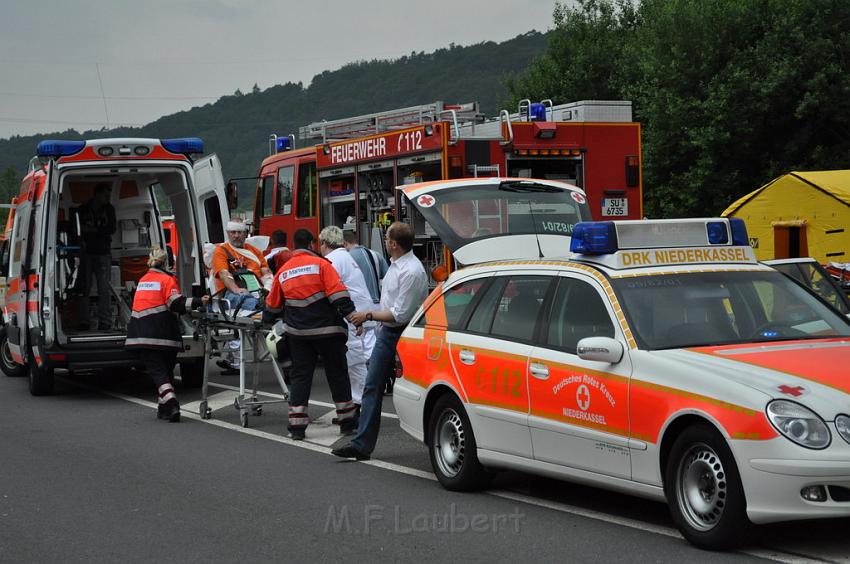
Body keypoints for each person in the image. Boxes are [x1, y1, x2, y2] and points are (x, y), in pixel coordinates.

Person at [332, 222, 428, 460]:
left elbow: (400, 314)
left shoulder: (411, 271)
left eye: (387, 238)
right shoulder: (396, 266)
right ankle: (362, 445)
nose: (385, 242)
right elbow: (388, 308)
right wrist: (371, 323)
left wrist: (367, 315)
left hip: (405, 334)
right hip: (387, 332)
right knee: (372, 386)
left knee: (417, 390)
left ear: (394, 244)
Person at [265, 228, 361, 440]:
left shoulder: (284, 271)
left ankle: (297, 428)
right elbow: (339, 295)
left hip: (298, 335)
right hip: (328, 331)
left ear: (294, 246)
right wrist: (353, 317)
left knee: (301, 377)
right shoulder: (322, 265)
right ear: (311, 245)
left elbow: (272, 305)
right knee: (337, 375)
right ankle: (347, 423)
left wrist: (266, 321)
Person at [125, 246, 208, 422]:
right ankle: (169, 403)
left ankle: (166, 406)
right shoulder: (167, 280)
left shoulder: (142, 280)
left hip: (142, 334)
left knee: (160, 373)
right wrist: (200, 301)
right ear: (167, 262)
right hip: (165, 335)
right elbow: (176, 304)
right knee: (165, 372)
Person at [319, 226, 376, 408]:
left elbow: (330, 288)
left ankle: (359, 403)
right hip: (364, 311)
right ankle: (364, 398)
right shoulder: (346, 256)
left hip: (353, 315)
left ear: (323, 243)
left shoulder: (331, 260)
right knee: (362, 358)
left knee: (354, 361)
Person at [211, 220, 272, 374]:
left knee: (258, 297)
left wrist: (269, 287)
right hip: (230, 293)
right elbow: (224, 274)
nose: (236, 236)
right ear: (228, 233)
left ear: (245, 233)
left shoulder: (254, 251)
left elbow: (265, 272)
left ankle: (267, 303)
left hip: (256, 291)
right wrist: (236, 289)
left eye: (239, 232)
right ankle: (262, 306)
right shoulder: (221, 251)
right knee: (244, 298)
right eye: (233, 232)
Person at [77, 182, 117, 330]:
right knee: (84, 288)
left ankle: (105, 322)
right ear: (97, 194)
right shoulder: (83, 209)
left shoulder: (109, 209)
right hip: (86, 254)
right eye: (106, 195)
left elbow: (112, 228)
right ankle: (84, 321)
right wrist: (98, 230)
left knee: (104, 289)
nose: (108, 198)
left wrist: (92, 229)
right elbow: (78, 229)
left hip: (103, 253)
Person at [343, 229, 388, 305]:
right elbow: (388, 278)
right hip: (379, 304)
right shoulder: (376, 254)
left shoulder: (346, 258)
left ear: (345, 244)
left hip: (359, 306)